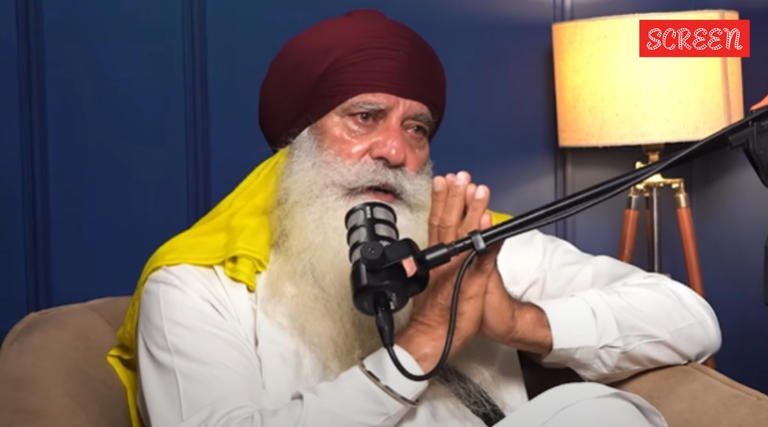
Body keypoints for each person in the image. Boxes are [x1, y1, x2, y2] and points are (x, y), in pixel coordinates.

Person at [108, 10, 722, 426]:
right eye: (364, 117)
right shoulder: (199, 286)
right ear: (298, 140)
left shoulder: (471, 245)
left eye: (417, 128)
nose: (395, 151)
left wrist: (517, 320)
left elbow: (691, 320)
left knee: (596, 413)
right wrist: (422, 341)